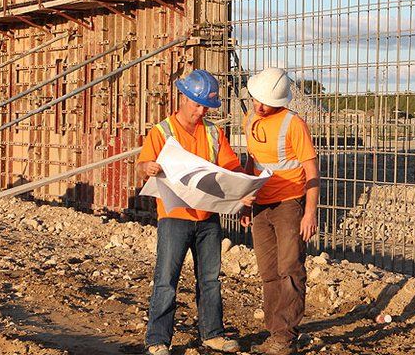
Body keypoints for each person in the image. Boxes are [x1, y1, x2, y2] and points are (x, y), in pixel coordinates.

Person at [137, 69, 242, 355]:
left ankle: (212, 334)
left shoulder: (213, 132)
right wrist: (148, 168)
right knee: (166, 281)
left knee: (210, 279)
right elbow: (144, 163)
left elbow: (230, 165)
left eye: (204, 106)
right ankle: (158, 340)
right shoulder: (162, 131)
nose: (200, 111)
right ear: (182, 97)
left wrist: (239, 181)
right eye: (196, 104)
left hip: (207, 217)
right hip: (174, 218)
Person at [240, 67, 320, 355]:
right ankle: (274, 330)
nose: (261, 107)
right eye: (257, 100)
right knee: (269, 272)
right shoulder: (250, 118)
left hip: (289, 204)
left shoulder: (293, 124)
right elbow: (252, 161)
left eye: (267, 103)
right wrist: (245, 199)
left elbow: (311, 170)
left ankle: (285, 337)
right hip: (261, 204)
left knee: (290, 270)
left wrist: (309, 212)